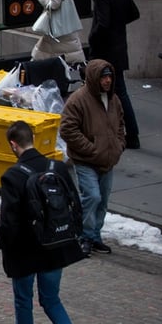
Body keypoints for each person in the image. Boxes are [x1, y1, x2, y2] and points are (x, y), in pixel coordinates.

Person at [0, 121, 89, 324]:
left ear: (14, 145)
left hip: (25, 252)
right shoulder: (57, 168)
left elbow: (9, 221)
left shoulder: (13, 176)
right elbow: (74, 205)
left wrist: (4, 243)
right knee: (51, 299)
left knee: (23, 300)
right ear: (33, 138)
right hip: (54, 246)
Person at [59, 59, 126, 257]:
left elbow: (120, 124)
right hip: (86, 161)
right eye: (103, 77)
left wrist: (119, 145)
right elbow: (67, 129)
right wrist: (91, 149)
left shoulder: (113, 100)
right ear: (94, 78)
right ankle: (85, 236)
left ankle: (95, 236)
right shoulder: (78, 100)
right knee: (92, 197)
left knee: (102, 201)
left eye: (109, 77)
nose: (107, 81)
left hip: (107, 161)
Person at [88, 0, 141, 149]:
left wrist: (92, 38)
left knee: (104, 91)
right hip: (118, 48)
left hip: (104, 51)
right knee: (118, 92)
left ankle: (123, 134)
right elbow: (134, 14)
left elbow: (103, 23)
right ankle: (128, 133)